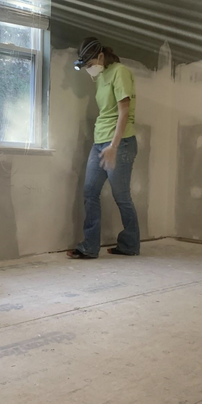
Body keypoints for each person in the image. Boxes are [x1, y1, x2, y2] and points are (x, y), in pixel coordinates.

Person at [68, 37, 140, 259]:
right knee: (90, 191)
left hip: (120, 143)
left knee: (121, 196)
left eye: (90, 64)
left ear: (101, 56)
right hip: (100, 141)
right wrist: (104, 144)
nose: (89, 69)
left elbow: (124, 112)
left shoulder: (120, 72)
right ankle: (89, 247)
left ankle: (130, 244)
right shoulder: (100, 77)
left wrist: (114, 146)